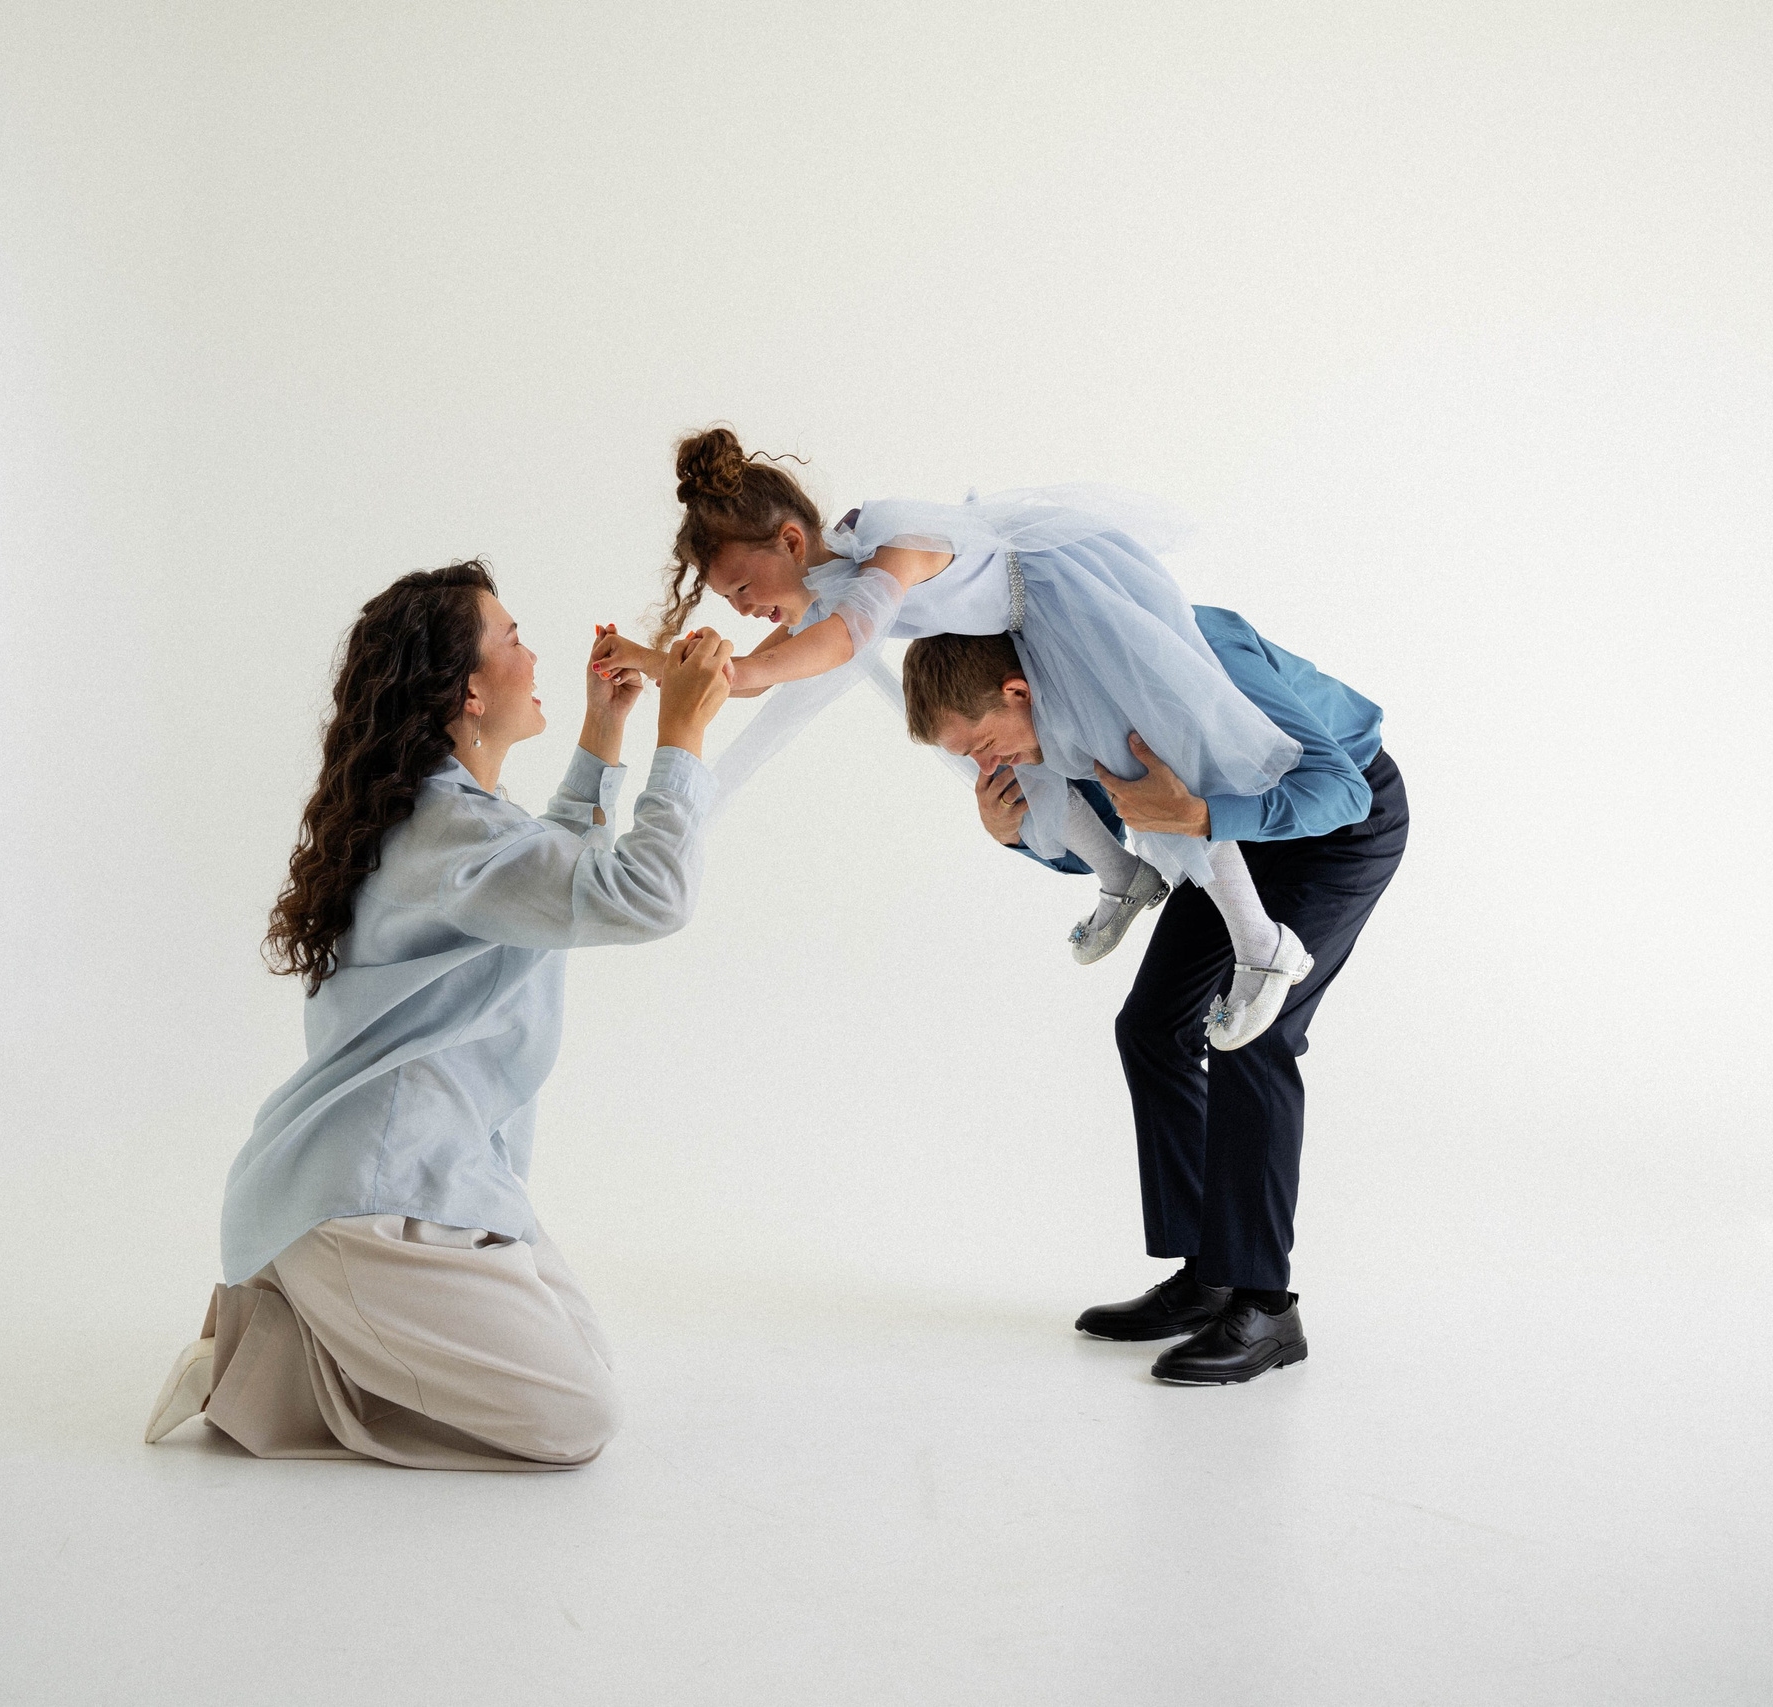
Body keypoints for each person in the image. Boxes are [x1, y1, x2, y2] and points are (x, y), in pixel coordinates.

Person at [143, 562, 736, 1468]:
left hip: (431, 1181)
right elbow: (644, 894)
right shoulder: (448, 830)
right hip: (369, 1200)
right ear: (467, 688)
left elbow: (548, 886)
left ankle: (308, 1337)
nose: (535, 652)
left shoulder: (455, 821)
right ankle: (289, 1364)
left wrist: (604, 733)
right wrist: (683, 736)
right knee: (577, 1418)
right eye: (512, 638)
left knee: (583, 1363)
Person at [594, 427, 1311, 1047]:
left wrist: (736, 666)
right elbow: (770, 670)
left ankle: (1263, 942)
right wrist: (651, 660)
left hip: (1064, 606)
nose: (745, 608)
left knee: (1149, 754)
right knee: (1001, 759)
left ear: (789, 540)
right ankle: (1123, 875)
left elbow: (836, 643)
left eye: (743, 588)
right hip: (1016, 641)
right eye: (730, 602)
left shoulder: (891, 544)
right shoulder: (833, 585)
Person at [904, 628, 1406, 1385]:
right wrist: (1015, 835)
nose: (985, 763)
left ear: (1015, 693)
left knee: (1254, 1033)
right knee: (1151, 1026)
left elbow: (1342, 790)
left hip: (1337, 828)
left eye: (981, 743)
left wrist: (1201, 815)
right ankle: (1209, 1276)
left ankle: (1267, 1306)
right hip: (1225, 840)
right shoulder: (1067, 702)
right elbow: (1117, 840)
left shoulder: (1177, 650)